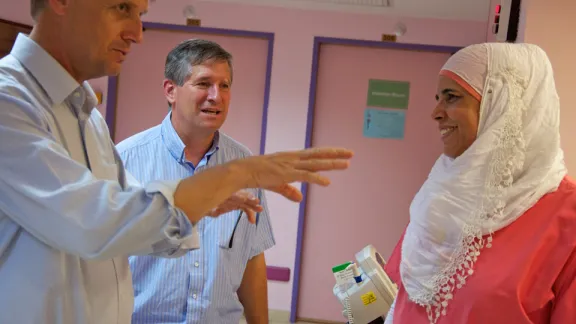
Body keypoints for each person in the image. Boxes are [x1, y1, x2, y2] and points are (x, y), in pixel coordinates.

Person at [0, 1, 353, 323]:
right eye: (122, 7)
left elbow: (138, 211)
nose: (137, 33)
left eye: (141, 16)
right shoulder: (9, 102)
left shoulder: (87, 118)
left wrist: (204, 201)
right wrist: (238, 174)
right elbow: (100, 222)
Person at [382, 42, 576, 324]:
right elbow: (402, 293)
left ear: (503, 104)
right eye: (438, 97)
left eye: (451, 97)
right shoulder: (443, 191)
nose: (435, 112)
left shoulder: (566, 217)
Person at [115, 39, 275, 324]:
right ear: (170, 90)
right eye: (204, 83)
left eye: (224, 86)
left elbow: (251, 257)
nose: (216, 96)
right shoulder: (126, 161)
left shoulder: (244, 166)